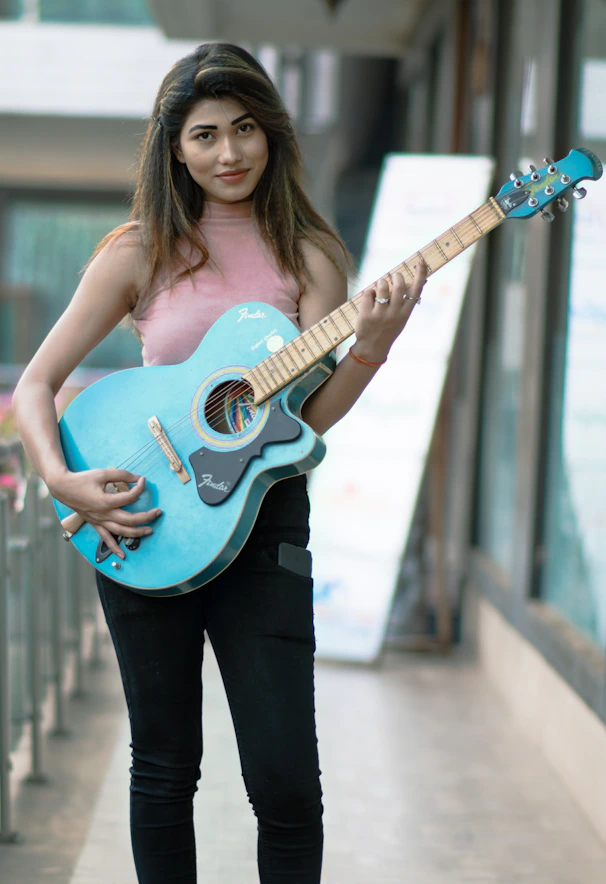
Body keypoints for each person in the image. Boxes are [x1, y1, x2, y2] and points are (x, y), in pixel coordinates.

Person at [12, 42, 426, 884]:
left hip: (265, 532)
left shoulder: (311, 257)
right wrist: (60, 479)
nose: (229, 153)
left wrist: (370, 348)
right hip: (143, 520)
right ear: (175, 148)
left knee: (286, 783)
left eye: (244, 129)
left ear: (271, 133)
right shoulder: (138, 251)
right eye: (204, 135)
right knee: (164, 770)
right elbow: (36, 384)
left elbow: (307, 421)